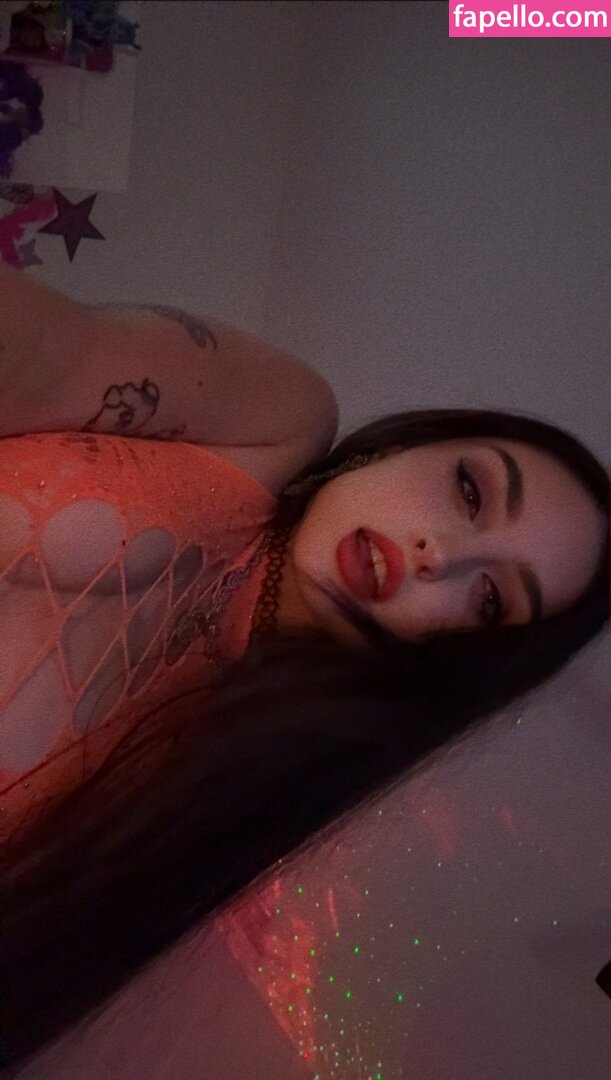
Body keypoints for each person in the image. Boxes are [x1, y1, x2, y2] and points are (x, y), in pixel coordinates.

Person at [0, 275, 608, 1069]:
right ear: (402, 446)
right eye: (468, 490)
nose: (440, 556)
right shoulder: (274, 422)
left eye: (488, 598)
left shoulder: (223, 809)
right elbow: (42, 354)